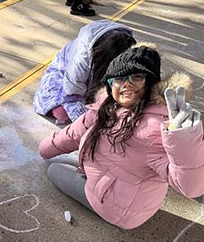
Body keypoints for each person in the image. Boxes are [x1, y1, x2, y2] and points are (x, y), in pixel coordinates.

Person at [39, 45, 204, 229]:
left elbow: (190, 187)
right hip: (120, 190)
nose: (126, 84)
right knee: (69, 158)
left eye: (136, 78)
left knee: (53, 169)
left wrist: (185, 140)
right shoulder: (107, 104)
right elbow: (75, 133)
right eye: (119, 78)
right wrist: (45, 147)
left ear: (150, 82)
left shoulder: (155, 129)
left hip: (117, 210)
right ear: (109, 84)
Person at [33, 20, 136, 123]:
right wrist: (86, 123)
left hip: (92, 77)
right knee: (62, 113)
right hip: (64, 76)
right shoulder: (80, 61)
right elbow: (71, 91)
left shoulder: (127, 48)